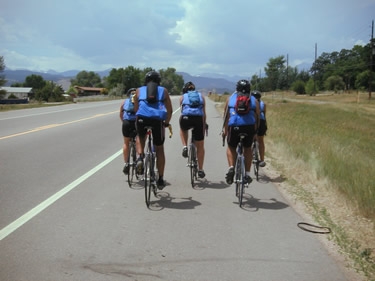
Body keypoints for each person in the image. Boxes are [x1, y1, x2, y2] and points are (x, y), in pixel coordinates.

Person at [133, 71, 173, 190]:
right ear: (158, 81)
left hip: (142, 119)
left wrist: (139, 117)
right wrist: (166, 122)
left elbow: (136, 108)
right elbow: (169, 110)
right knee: (159, 149)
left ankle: (140, 157)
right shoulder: (164, 90)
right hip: (157, 121)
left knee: (140, 138)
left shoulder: (138, 90)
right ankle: (160, 179)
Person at [222, 79, 260, 185]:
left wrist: (225, 131)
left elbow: (226, 117)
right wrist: (255, 133)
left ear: (236, 88)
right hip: (249, 127)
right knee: (247, 148)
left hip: (234, 127)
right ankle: (247, 174)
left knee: (231, 147)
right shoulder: (254, 100)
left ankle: (231, 168)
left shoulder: (230, 99)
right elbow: (257, 118)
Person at [179, 81, 207, 178]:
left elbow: (182, 111)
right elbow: (204, 113)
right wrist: (204, 124)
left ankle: (185, 146)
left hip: (186, 118)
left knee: (183, 129)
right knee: (200, 145)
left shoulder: (183, 97)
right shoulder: (201, 97)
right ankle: (200, 169)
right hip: (198, 119)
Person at [119, 88, 137, 175]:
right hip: (137, 123)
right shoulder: (140, 102)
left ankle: (126, 163)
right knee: (140, 141)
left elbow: (121, 115)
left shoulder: (124, 102)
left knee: (126, 143)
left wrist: (125, 122)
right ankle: (139, 159)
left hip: (127, 123)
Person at [252, 90, 267, 167]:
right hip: (261, 121)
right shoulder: (263, 104)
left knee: (250, 139)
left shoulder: (251, 102)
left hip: (252, 121)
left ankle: (250, 155)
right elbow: (264, 114)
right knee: (261, 140)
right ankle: (262, 160)